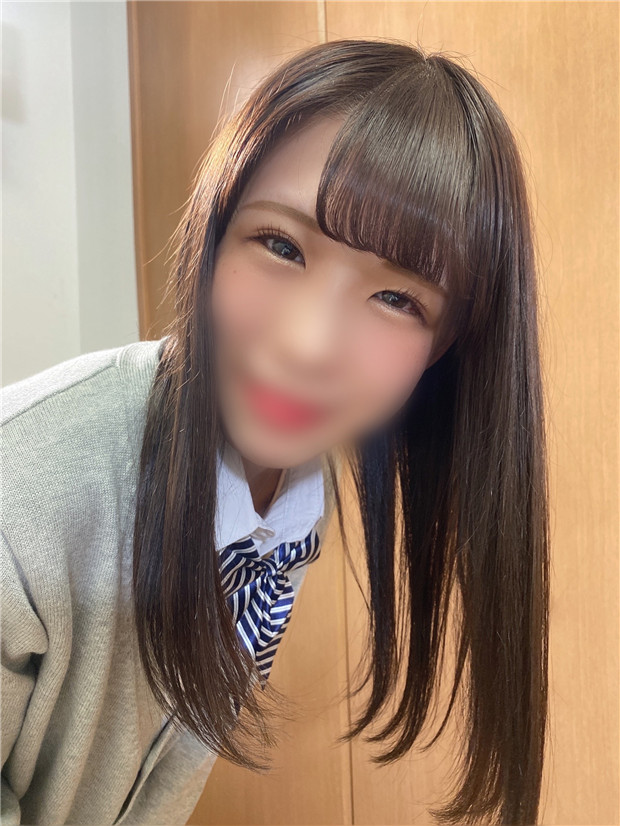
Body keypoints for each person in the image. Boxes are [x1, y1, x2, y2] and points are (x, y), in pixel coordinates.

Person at [1, 37, 549, 826]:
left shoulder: (284, 508)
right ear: (214, 231)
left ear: (448, 348)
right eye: (282, 246)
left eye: (399, 300)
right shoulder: (19, 507)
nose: (308, 344)